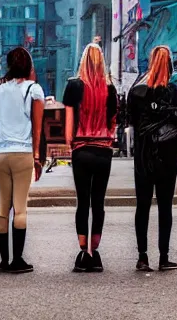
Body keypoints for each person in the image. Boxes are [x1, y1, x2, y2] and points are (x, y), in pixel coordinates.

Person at [128, 46, 177, 272]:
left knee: (142, 206)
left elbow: (130, 121)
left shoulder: (138, 91)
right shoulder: (174, 90)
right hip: (167, 156)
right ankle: (164, 256)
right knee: (165, 206)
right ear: (170, 63)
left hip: (143, 156)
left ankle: (142, 256)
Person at [0, 47, 45, 273]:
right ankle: (17, 261)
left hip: (2, 154)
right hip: (23, 154)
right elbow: (37, 129)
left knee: (4, 206)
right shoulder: (34, 90)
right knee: (20, 208)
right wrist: (37, 156)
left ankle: (3, 261)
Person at [63, 43, 118, 272]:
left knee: (82, 202)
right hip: (104, 150)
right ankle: (95, 253)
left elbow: (68, 128)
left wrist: (72, 143)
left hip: (81, 149)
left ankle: (83, 250)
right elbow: (113, 124)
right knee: (99, 202)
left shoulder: (74, 86)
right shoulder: (110, 89)